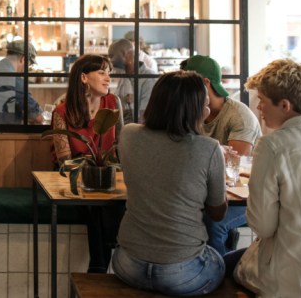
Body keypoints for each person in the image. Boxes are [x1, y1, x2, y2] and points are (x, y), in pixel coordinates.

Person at [112, 71, 227, 296]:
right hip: (183, 274)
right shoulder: (209, 148)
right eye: (204, 104)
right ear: (196, 109)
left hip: (127, 265)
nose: (208, 109)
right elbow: (218, 213)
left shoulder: (128, 134)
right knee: (223, 260)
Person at [227, 59, 301, 297]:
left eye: (262, 101)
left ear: (285, 105)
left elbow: (262, 226)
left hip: (294, 276)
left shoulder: (272, 145)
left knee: (219, 266)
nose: (258, 108)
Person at [181, 55, 261, 255]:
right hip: (208, 193)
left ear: (205, 83)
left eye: (186, 80)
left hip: (245, 198)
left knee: (213, 223)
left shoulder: (239, 116)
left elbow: (235, 166)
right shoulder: (190, 110)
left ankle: (219, 278)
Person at [51, 54, 124, 273]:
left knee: (114, 199)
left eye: (109, 72)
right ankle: (101, 267)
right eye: (101, 72)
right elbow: (65, 159)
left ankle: (99, 268)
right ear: (83, 78)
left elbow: (120, 144)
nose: (107, 78)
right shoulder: (62, 112)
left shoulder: (113, 103)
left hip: (107, 172)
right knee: (95, 203)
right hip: (72, 175)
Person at [0, 40, 43, 124]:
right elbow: (38, 117)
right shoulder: (15, 80)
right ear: (23, 59)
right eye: (29, 64)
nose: (28, 68)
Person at [109, 38, 158, 123]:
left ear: (125, 54)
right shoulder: (124, 76)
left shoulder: (149, 77)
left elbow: (144, 117)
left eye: (111, 56)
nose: (111, 61)